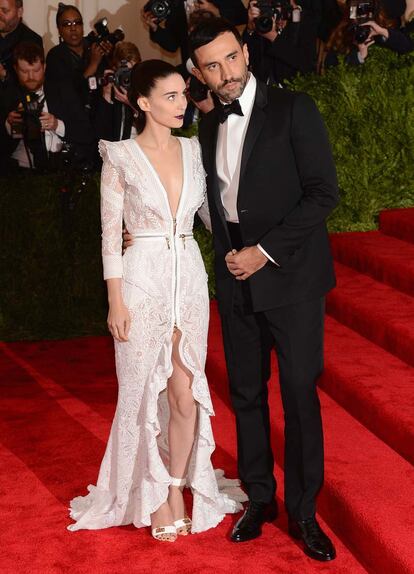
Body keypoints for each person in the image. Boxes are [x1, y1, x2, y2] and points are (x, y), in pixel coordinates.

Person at [67, 59, 245, 541]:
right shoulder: (119, 156)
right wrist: (115, 301)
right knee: (142, 392)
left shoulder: (192, 151)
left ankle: (174, 487)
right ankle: (151, 493)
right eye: (170, 97)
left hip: (187, 277)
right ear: (142, 102)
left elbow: (213, 217)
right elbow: (109, 236)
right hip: (140, 280)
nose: (181, 104)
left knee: (186, 396)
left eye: (183, 95)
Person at [187, 17, 339, 560]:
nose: (224, 73)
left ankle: (304, 511)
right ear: (199, 73)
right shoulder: (207, 125)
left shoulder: (295, 109)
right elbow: (219, 203)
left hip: (292, 279)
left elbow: (324, 193)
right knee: (247, 396)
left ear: (246, 52)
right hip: (235, 282)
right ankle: (260, 498)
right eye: (211, 64)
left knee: (299, 396)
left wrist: (265, 251)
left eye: (230, 57)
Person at [45, 3, 112, 167]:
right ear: (59, 30)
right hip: (74, 127)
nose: (73, 28)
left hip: (101, 122)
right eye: (66, 24)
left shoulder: (94, 46)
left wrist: (110, 55)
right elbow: (68, 91)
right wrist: (93, 65)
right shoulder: (55, 56)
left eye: (77, 23)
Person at [0, 42, 65, 171]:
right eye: (24, 71)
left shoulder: (62, 90)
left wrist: (57, 125)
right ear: (15, 69)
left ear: (44, 67)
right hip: (20, 171)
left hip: (61, 167)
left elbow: (84, 132)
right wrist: (8, 125)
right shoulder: (6, 96)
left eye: (36, 70)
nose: (31, 77)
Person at [244, 0, 319, 86]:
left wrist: (274, 37)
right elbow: (247, 57)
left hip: (293, 86)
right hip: (262, 85)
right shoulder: (262, 19)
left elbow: (305, 64)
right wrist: (250, 28)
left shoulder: (304, 20)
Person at [95, 41, 142, 142]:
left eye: (132, 71)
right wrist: (106, 94)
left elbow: (153, 127)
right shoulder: (110, 91)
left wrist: (132, 105)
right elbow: (100, 136)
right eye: (124, 72)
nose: (127, 77)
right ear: (115, 69)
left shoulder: (147, 91)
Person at [0, 0, 42, 87]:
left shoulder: (32, 40)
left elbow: (32, 84)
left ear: (19, 12)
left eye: (4, 11)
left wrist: (4, 74)